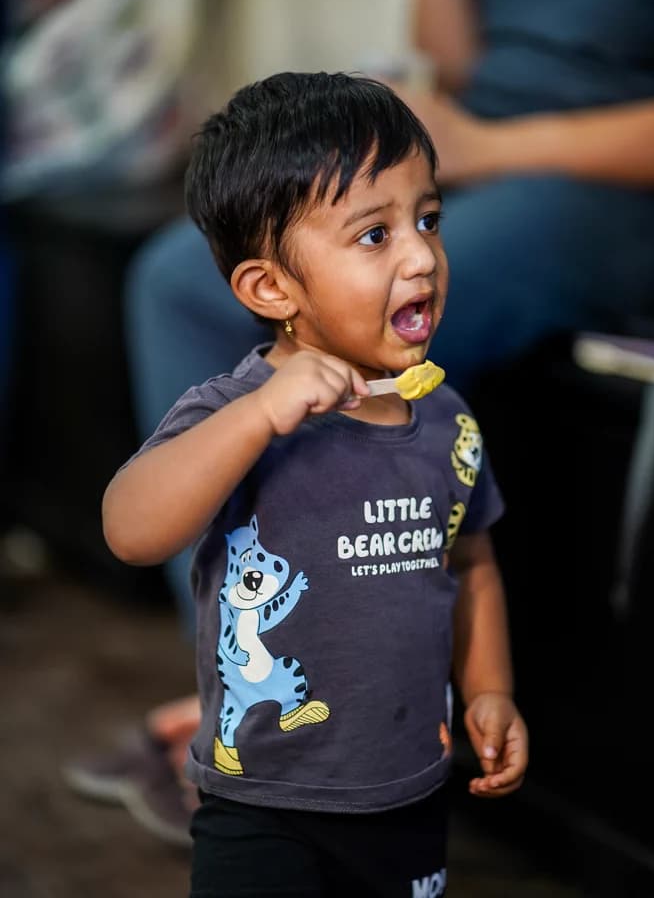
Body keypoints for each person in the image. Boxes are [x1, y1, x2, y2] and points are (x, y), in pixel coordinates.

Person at [101, 71, 529, 897]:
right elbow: (131, 528)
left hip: (408, 792)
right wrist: (259, 416)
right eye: (374, 235)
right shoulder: (232, 414)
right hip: (263, 805)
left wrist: (489, 689)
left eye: (428, 219)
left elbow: (471, 561)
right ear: (272, 288)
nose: (421, 256)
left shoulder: (447, 421)